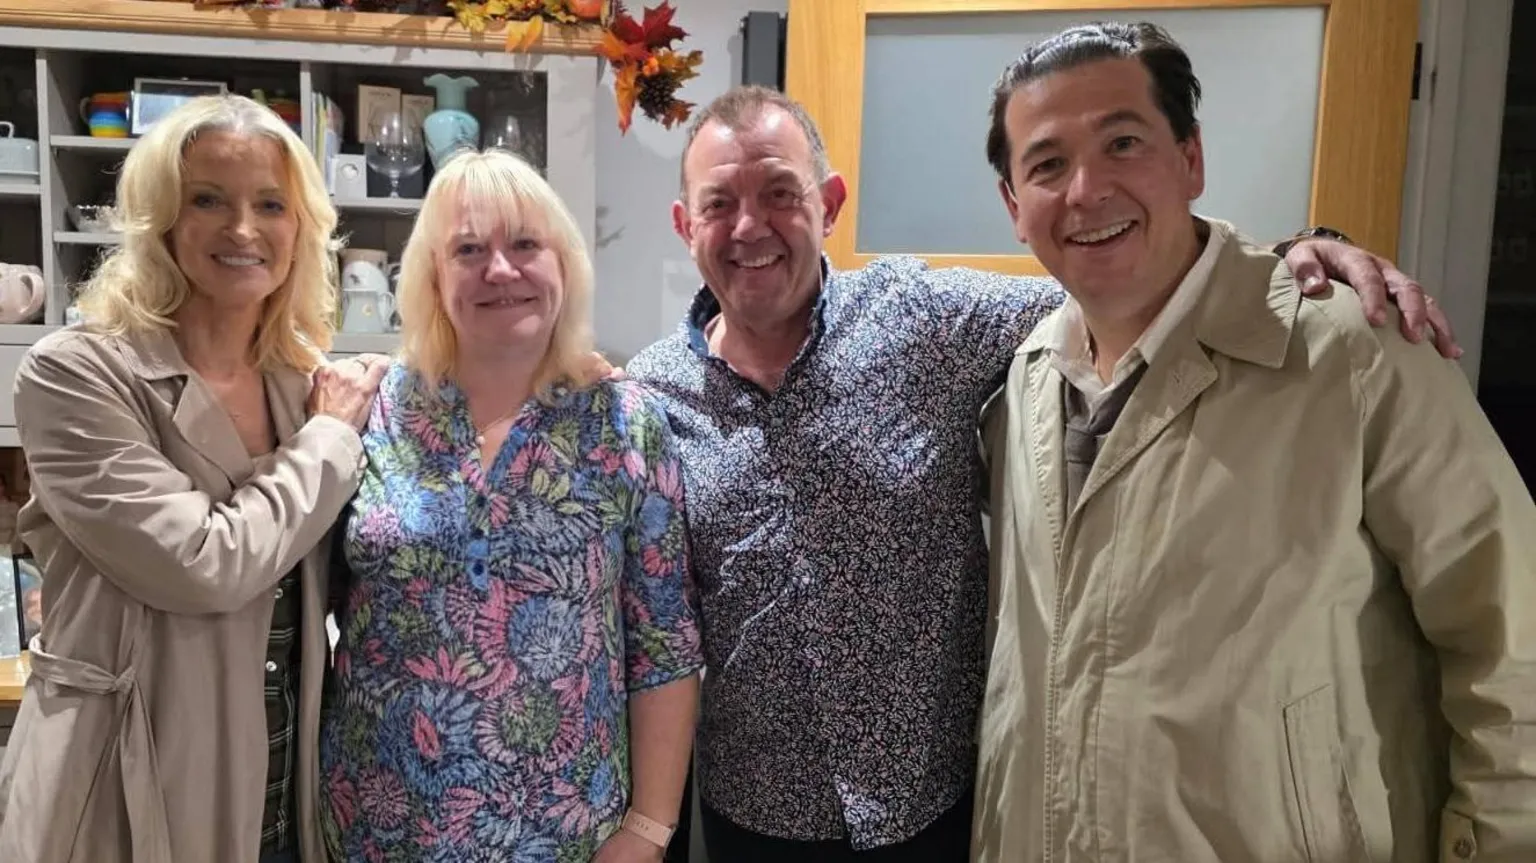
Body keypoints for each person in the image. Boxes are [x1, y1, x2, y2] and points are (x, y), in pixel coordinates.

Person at [624, 82, 1462, 862]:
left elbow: (1129, 288)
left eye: (780, 193)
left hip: (937, 806)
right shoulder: (647, 397)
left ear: (830, 203)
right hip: (754, 814)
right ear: (684, 224)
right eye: (719, 204)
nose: (750, 227)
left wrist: (1296, 253)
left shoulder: (923, 321)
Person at [974, 21, 1536, 863]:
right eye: (1048, 164)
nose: (1087, 189)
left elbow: (1511, 637)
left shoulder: (1351, 352)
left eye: (1123, 143)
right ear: (1015, 207)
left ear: (1190, 158)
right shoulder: (1021, 380)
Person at [0, 94, 389, 863]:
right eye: (207, 199)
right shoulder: (76, 374)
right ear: (160, 219)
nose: (242, 229)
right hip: (124, 788)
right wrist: (329, 437)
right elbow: (205, 562)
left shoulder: (302, 384)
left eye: (270, 204)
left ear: (301, 228)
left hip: (282, 794)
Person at [319, 148, 704, 863]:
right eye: (469, 250)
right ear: (433, 275)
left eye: (526, 244)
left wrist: (649, 829)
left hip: (571, 838)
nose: (500, 270)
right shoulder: (369, 411)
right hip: (378, 831)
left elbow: (665, 643)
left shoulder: (625, 421)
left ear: (565, 265)